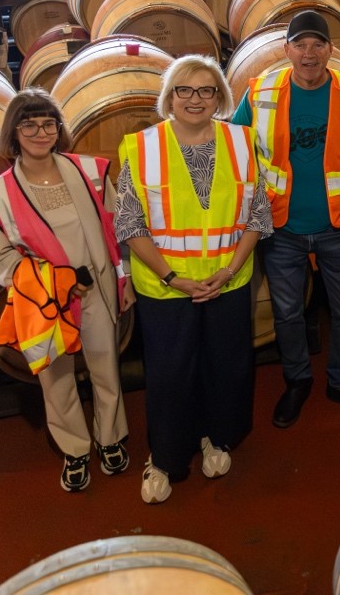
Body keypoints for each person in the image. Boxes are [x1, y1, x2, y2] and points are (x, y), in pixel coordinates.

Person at [116, 54, 270, 504]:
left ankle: (216, 436)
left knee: (225, 366)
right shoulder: (142, 146)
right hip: (167, 288)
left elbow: (257, 213)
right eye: (184, 90)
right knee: (170, 374)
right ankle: (164, 456)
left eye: (206, 90)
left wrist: (230, 269)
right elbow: (130, 224)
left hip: (227, 281)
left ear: (220, 97)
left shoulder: (242, 141)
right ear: (170, 97)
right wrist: (173, 277)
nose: (195, 99)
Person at [0, 88, 130, 493]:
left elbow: (115, 233)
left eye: (48, 123)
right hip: (46, 302)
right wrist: (54, 284)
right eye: (29, 124)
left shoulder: (90, 171)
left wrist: (123, 278)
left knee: (105, 366)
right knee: (56, 378)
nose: (40, 132)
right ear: (14, 132)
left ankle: (110, 438)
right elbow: (0, 262)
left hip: (97, 288)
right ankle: (75, 448)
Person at [231, 9, 340, 426]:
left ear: (331, 51)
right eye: (301, 44)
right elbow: (236, 146)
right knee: (287, 313)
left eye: (318, 45)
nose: (309, 53)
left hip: (338, 227)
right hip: (282, 230)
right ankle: (297, 380)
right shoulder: (260, 91)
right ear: (287, 50)